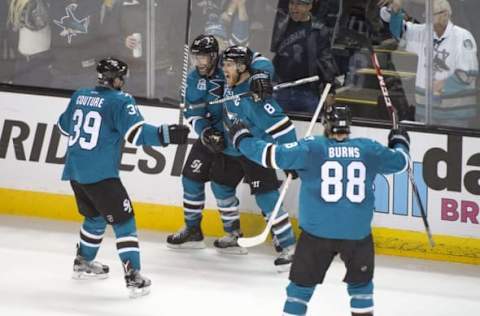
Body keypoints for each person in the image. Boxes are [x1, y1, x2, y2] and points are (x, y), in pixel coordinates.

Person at [228, 104, 410, 315]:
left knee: (299, 290)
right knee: (361, 288)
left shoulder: (311, 147)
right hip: (357, 234)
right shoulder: (369, 148)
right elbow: (402, 162)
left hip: (317, 235)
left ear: (325, 123)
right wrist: (400, 141)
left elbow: (270, 155)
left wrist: (242, 139)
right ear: (348, 126)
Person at [57, 57, 189, 298]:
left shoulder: (79, 95)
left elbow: (63, 127)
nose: (123, 82)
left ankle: (82, 262)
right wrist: (167, 134)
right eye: (121, 78)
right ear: (116, 79)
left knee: (95, 217)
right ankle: (133, 276)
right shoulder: (120, 100)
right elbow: (138, 134)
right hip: (101, 175)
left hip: (75, 172)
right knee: (124, 222)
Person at [220, 45, 298, 269]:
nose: (224, 69)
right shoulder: (231, 83)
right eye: (224, 64)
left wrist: (290, 158)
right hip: (232, 148)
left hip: (255, 151)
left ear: (243, 67)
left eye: (229, 65)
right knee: (220, 185)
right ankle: (232, 234)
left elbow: (283, 127)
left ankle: (288, 245)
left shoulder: (256, 98)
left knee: (266, 197)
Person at [379, 0, 479, 129]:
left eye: (431, 15)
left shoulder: (462, 37)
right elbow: (399, 32)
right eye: (426, 16)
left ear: (445, 15)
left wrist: (443, 85)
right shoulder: (424, 32)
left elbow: (468, 73)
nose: (427, 19)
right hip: (425, 114)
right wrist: (396, 11)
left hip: (454, 116)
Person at [271, 0, 338, 113]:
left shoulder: (318, 29)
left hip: (307, 92)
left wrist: (330, 90)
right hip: (281, 89)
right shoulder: (280, 25)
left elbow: (326, 60)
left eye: (299, 4)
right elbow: (271, 54)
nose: (294, 8)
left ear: (309, 6)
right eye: (291, 3)